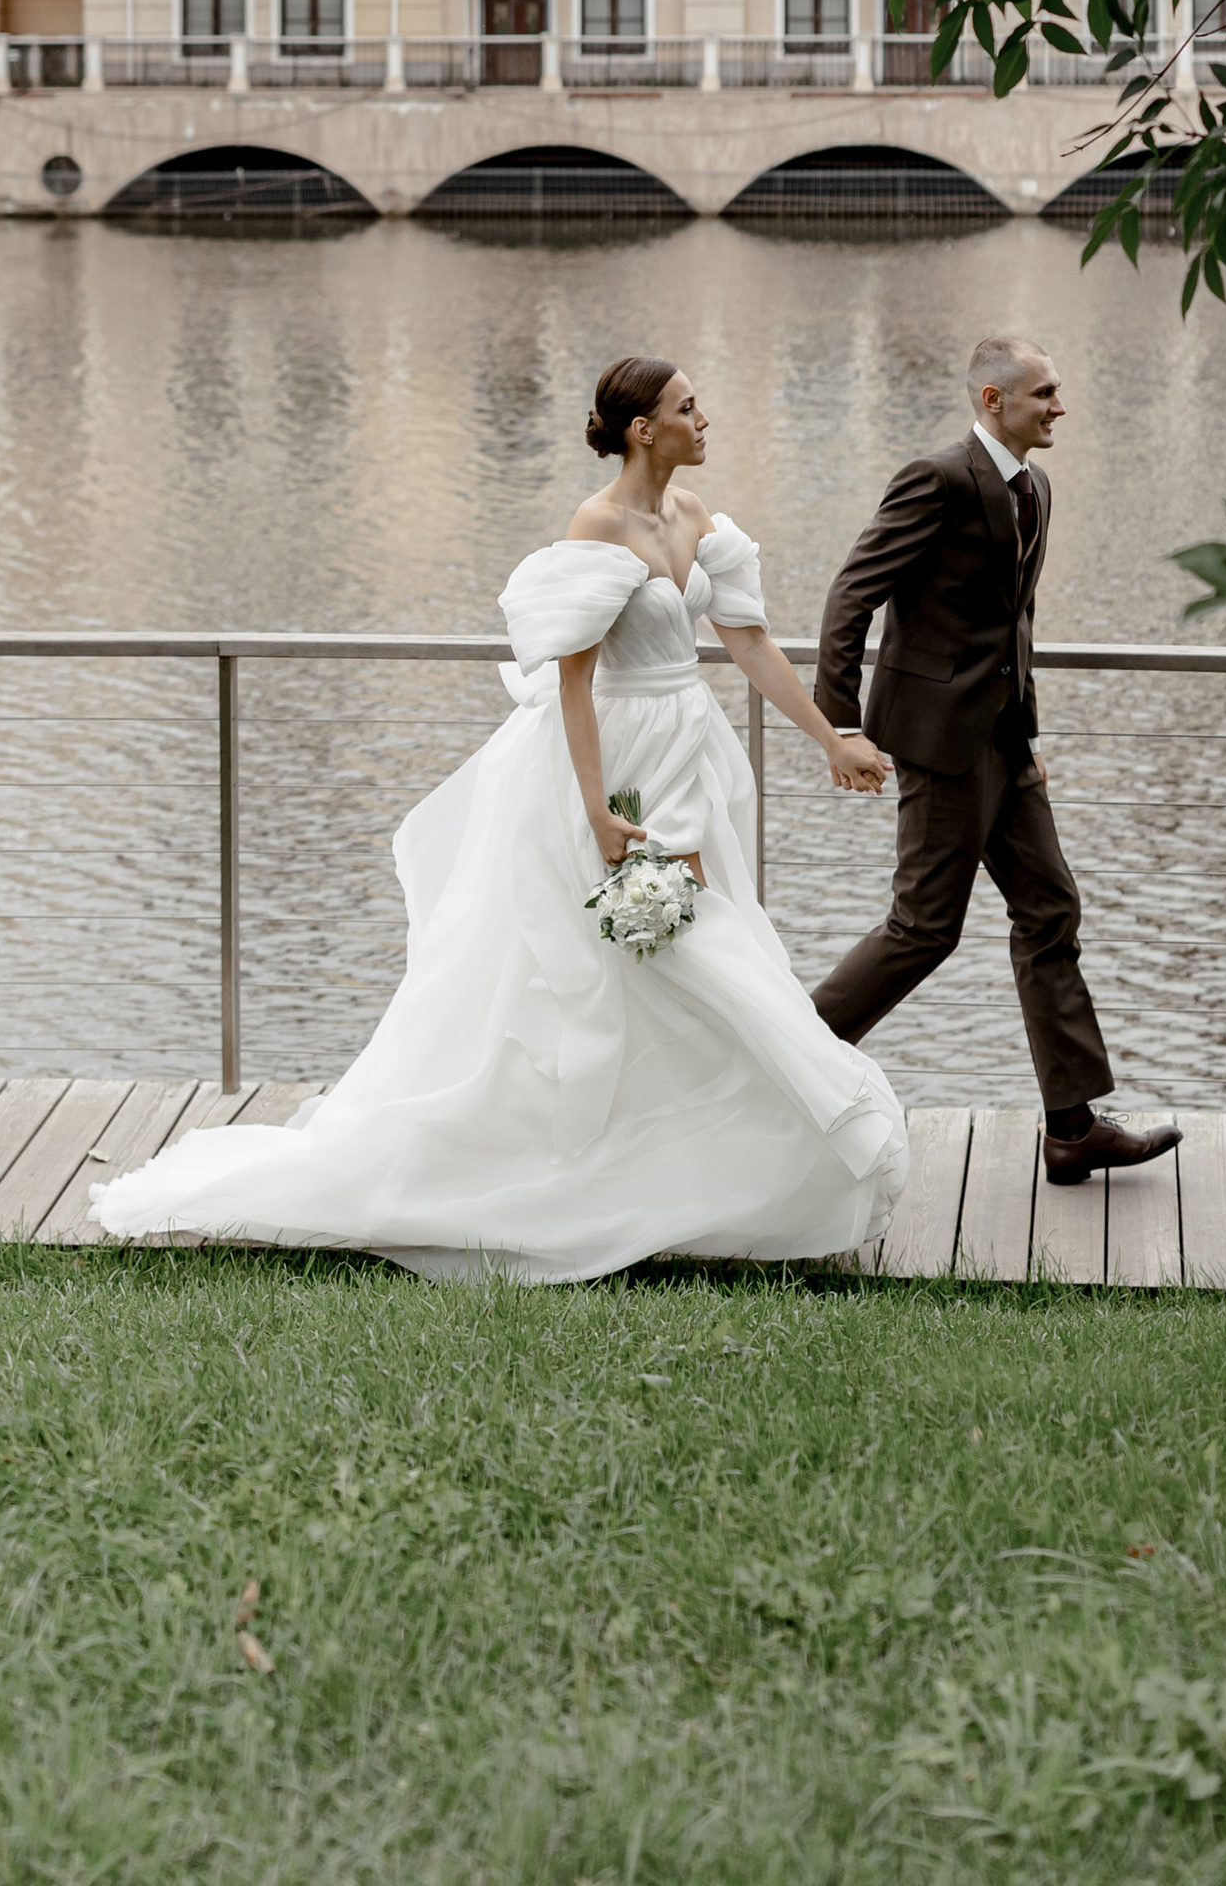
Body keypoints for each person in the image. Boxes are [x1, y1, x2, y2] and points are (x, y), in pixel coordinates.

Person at [90, 354, 910, 1277]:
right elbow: (575, 682)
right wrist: (596, 810)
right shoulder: (597, 526)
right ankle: (584, 1171)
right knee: (645, 958)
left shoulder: (695, 517)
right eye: (689, 408)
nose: (704, 419)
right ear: (644, 430)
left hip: (690, 751)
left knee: (687, 951)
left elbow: (751, 644)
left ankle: (682, 1175)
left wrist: (831, 738)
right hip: (615, 760)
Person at [810, 333, 1178, 1186]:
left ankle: (1072, 1128)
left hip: (1005, 748)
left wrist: (1027, 739)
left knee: (1050, 911)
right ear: (993, 400)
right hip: (939, 743)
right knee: (923, 930)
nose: (1059, 407)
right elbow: (851, 595)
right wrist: (839, 725)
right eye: (1044, 393)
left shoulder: (1034, 487)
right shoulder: (936, 479)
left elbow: (1015, 625)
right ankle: (784, 1062)